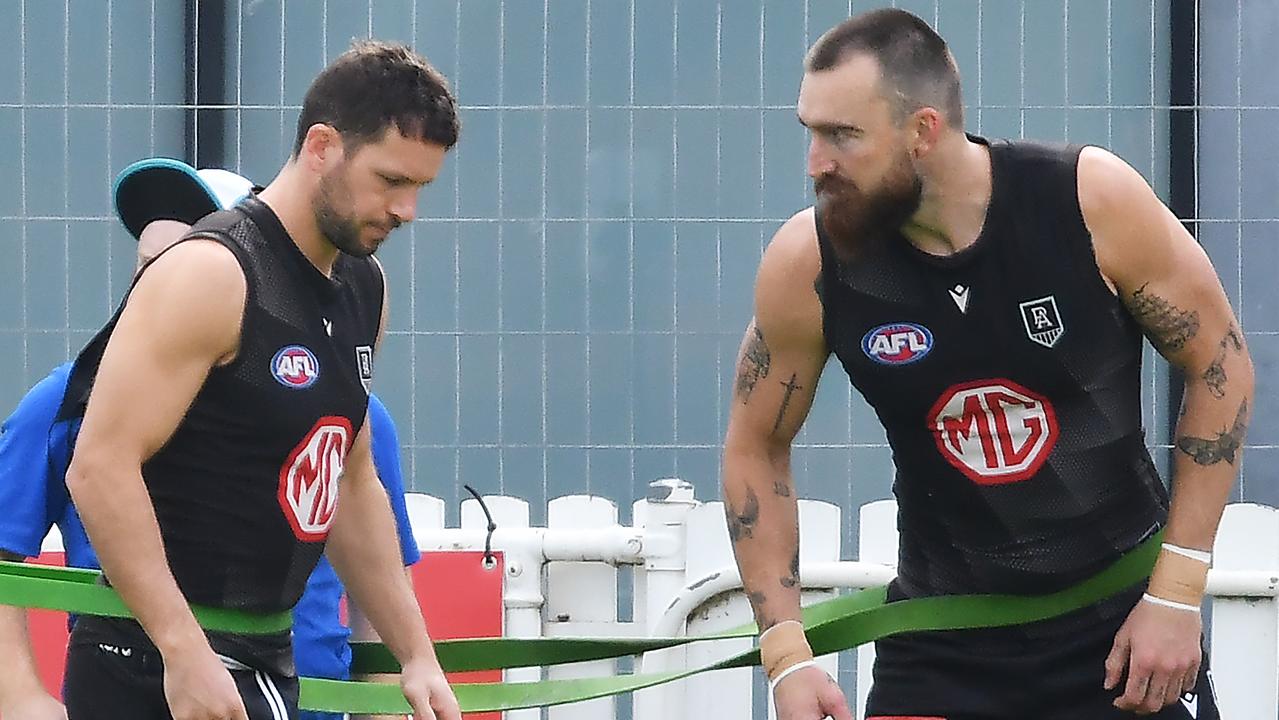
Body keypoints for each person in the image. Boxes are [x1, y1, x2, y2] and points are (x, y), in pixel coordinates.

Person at [721, 9, 1251, 720]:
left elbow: (1222, 367)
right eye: (810, 132)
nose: (815, 161)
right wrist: (786, 657)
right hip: (940, 648)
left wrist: (1177, 591)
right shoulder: (810, 262)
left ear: (922, 130)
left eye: (841, 136)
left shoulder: (1086, 201)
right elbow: (755, 444)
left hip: (1123, 639)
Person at [60, 40, 461, 720]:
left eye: (419, 188)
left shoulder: (364, 284)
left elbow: (348, 475)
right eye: (392, 181)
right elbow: (98, 468)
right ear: (322, 145)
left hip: (265, 661)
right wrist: (182, 652)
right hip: (148, 667)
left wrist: (415, 654)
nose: (406, 211)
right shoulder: (210, 273)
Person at [0, 158, 423, 720]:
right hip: (149, 688)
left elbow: (376, 564)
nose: (158, 282)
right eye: (146, 264)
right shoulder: (70, 399)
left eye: (183, 260)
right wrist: (19, 694)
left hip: (310, 698)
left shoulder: (352, 409)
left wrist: (385, 695)